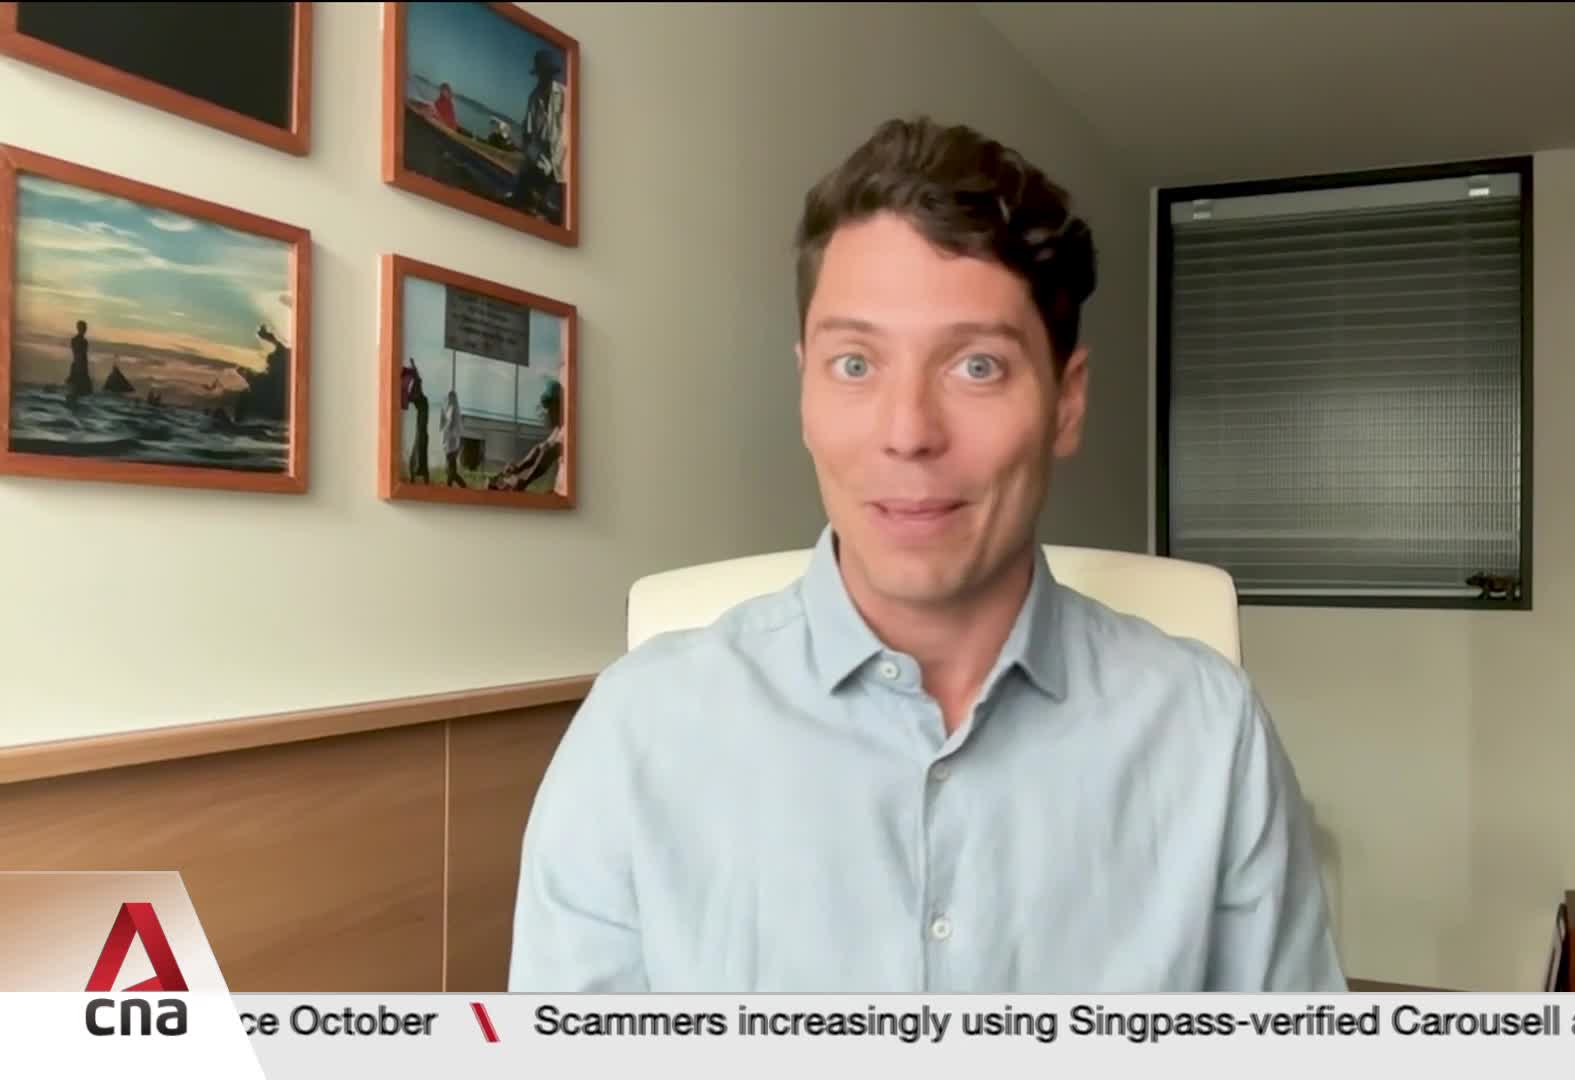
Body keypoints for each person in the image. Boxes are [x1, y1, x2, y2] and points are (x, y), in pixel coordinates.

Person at [508, 116, 1345, 993]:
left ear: (1066, 403)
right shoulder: (636, 735)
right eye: (856, 364)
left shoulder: (1211, 737)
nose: (908, 433)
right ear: (804, 390)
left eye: (976, 367)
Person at [510, 49, 566, 223]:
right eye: (542, 73)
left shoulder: (566, 95)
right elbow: (527, 136)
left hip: (563, 170)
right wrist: (539, 161)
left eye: (548, 73)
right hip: (540, 165)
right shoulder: (533, 98)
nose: (544, 77)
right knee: (521, 201)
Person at [440, 387, 466, 487]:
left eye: (449, 397)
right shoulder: (456, 409)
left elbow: (449, 424)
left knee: (450, 469)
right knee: (450, 468)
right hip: (454, 444)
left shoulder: (452, 409)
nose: (448, 399)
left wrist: (445, 429)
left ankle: (461, 485)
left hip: (451, 444)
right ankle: (451, 485)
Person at [65, 319, 92, 402]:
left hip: (81, 366)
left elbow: (83, 355)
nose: (85, 330)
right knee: (78, 390)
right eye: (83, 328)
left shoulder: (83, 341)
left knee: (81, 391)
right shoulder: (77, 340)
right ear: (79, 328)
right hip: (78, 366)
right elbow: (78, 354)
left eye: (85, 328)